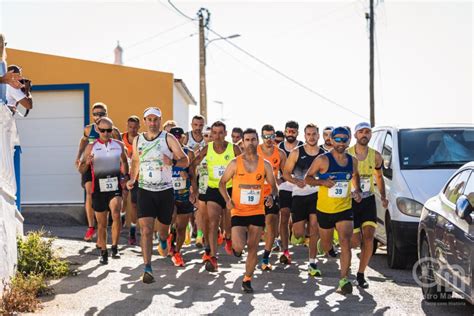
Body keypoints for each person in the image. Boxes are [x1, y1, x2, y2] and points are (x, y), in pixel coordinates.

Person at [126, 107, 189, 284]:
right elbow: (136, 161)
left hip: (165, 192)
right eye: (149, 119)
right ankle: (147, 267)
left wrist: (174, 162)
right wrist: (132, 179)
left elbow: (186, 160)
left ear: (160, 121)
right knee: (145, 230)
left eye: (156, 119)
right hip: (145, 190)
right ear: (144, 121)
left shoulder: (168, 138)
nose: (153, 123)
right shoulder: (138, 140)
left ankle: (164, 239)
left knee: (162, 230)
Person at [219, 128, 278, 293]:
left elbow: (274, 187)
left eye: (253, 139)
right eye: (247, 140)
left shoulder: (265, 165)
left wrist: (272, 197)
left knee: (253, 247)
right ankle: (236, 248)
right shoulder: (235, 163)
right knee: (239, 246)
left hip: (257, 211)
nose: (250, 143)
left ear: (257, 141)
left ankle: (247, 279)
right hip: (238, 211)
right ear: (242, 143)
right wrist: (227, 200)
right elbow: (222, 183)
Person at [305, 126, 362, 295]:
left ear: (349, 140)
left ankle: (344, 280)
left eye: (345, 139)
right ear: (332, 140)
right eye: (338, 139)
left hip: (344, 209)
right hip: (324, 210)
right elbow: (308, 178)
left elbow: (355, 175)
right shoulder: (323, 160)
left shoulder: (353, 161)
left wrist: (357, 190)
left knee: (346, 240)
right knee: (326, 244)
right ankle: (328, 249)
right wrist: (322, 182)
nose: (341, 142)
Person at [190, 121, 241, 272]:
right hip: (213, 188)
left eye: (221, 133)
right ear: (211, 134)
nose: (217, 136)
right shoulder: (208, 148)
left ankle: (229, 237)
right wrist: (195, 186)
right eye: (215, 133)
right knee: (213, 221)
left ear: (226, 133)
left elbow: (244, 165)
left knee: (229, 222)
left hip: (231, 189)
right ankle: (213, 257)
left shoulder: (234, 148)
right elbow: (193, 165)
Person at [79, 117, 129, 264]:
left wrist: (125, 177)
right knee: (101, 223)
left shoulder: (119, 145)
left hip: (115, 186)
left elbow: (125, 162)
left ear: (112, 130)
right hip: (98, 189)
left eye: (109, 130)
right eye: (102, 130)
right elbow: (81, 169)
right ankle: (103, 251)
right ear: (97, 130)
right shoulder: (91, 147)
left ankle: (114, 247)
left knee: (116, 214)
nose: (106, 133)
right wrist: (87, 163)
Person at [348, 122, 388, 288]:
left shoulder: (376, 156)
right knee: (355, 242)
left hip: (368, 200)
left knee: (369, 237)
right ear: (356, 135)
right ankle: (346, 268)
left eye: (367, 132)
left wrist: (384, 196)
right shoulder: (347, 154)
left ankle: (361, 274)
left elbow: (379, 177)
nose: (365, 135)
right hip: (351, 201)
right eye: (361, 132)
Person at [75, 102, 121, 242]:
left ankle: (106, 226)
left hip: (107, 168)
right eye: (95, 114)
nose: (98, 116)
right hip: (91, 165)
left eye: (101, 114)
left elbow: (119, 149)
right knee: (90, 191)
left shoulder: (113, 130)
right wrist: (79, 156)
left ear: (106, 114)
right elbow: (83, 141)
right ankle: (91, 226)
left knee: (107, 196)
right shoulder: (89, 129)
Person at [283, 123, 324, 276]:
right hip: (299, 195)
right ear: (304, 136)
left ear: (318, 136)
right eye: (309, 134)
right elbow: (286, 173)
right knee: (299, 233)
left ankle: (312, 262)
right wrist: (295, 181)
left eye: (314, 134)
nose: (311, 137)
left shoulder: (324, 154)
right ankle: (298, 233)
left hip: (317, 195)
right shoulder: (296, 153)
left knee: (314, 226)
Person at [256, 124, 286, 271]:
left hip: (272, 192)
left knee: (271, 222)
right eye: (266, 137)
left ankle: (266, 257)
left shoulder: (280, 154)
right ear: (262, 137)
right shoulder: (254, 150)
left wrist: (280, 180)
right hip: (254, 193)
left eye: (271, 136)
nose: (269, 139)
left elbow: (285, 173)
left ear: (275, 137)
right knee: (255, 227)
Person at [277, 120, 303, 264]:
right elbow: (272, 165)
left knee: (296, 220)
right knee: (284, 215)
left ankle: (297, 236)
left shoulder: (302, 147)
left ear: (297, 133)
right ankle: (285, 251)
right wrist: (277, 180)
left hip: (299, 187)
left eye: (293, 131)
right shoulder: (279, 147)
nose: (290, 134)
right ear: (285, 131)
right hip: (285, 186)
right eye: (288, 131)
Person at [168, 126, 195, 267]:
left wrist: (191, 186)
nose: (177, 140)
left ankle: (177, 252)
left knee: (182, 227)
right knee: (170, 216)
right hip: (168, 193)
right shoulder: (164, 152)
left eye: (180, 137)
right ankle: (168, 234)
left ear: (183, 138)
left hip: (184, 194)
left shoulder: (188, 153)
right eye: (175, 137)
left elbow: (193, 174)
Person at [121, 115, 140, 245]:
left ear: (139, 127)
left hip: (136, 175)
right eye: (130, 127)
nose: (132, 129)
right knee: (122, 197)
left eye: (135, 127)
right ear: (127, 126)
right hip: (123, 173)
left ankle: (132, 230)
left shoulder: (141, 139)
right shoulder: (121, 138)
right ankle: (121, 216)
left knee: (134, 204)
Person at [194, 126, 212, 250]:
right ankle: (200, 235)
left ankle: (214, 236)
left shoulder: (221, 150)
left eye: (211, 135)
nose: (209, 138)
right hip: (202, 184)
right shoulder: (198, 151)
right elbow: (193, 170)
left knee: (213, 215)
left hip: (217, 186)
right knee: (200, 211)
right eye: (206, 136)